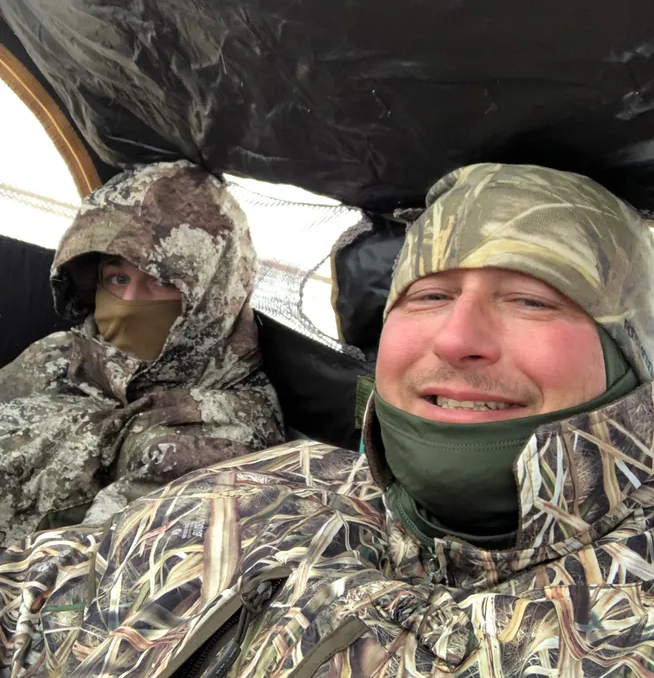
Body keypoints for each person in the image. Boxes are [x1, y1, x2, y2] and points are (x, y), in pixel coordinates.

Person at [2, 162, 654, 677]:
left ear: (631, 350)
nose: (458, 337)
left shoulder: (219, 432)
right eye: (427, 295)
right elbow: (49, 584)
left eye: (530, 298)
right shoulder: (266, 491)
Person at [0, 160, 284, 545]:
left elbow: (87, 565)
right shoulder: (68, 352)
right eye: (118, 278)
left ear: (209, 296)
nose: (128, 302)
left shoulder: (219, 436)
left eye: (160, 282)